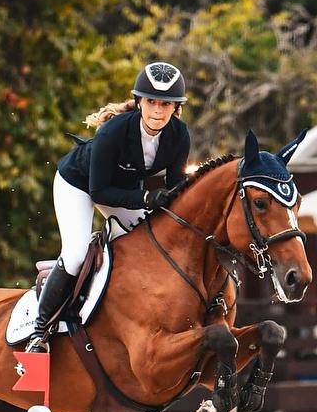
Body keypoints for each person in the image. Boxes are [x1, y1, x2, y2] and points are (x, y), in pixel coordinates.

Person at [25, 61, 192, 353]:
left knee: (150, 244)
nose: (157, 110)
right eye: (151, 102)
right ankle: (40, 331)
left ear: (176, 109)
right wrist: (144, 200)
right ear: (139, 101)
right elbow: (98, 191)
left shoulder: (179, 135)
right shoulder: (113, 132)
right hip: (77, 184)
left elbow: (176, 186)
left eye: (165, 105)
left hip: (123, 189)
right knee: (76, 252)